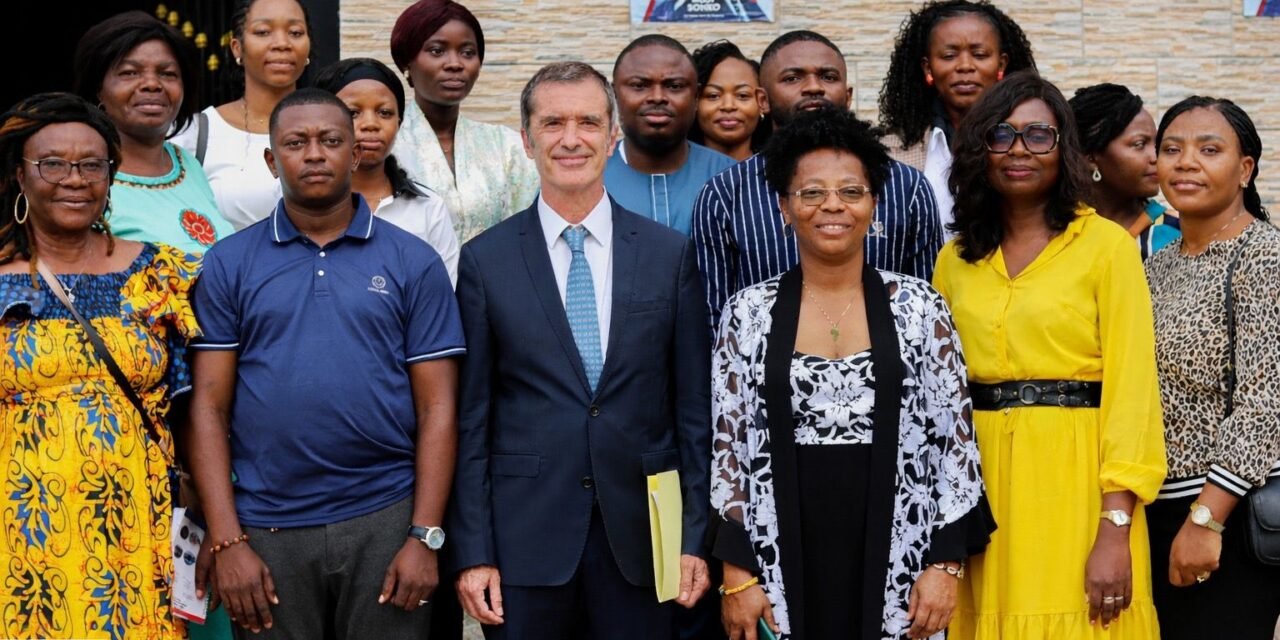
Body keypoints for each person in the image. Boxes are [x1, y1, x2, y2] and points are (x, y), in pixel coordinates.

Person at [187, 89, 464, 639]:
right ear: (272, 160)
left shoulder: (412, 260)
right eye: (295, 142)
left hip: (385, 515)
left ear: (355, 154)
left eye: (331, 141)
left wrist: (424, 535)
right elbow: (208, 410)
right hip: (267, 525)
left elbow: (439, 407)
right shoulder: (229, 263)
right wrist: (227, 541)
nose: (314, 154)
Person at [450, 61, 711, 640]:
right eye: (553, 123)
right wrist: (473, 550)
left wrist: (695, 538)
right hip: (524, 542)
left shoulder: (669, 255)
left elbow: (695, 413)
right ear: (526, 139)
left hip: (647, 539)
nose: (571, 139)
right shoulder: (485, 261)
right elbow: (471, 419)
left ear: (612, 135)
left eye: (589, 122)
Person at [711, 108, 993, 640]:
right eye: (811, 193)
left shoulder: (920, 308)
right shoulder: (746, 313)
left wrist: (946, 565)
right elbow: (729, 448)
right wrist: (736, 574)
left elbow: (955, 443)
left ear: (874, 203)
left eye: (851, 191)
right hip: (779, 560)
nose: (832, 206)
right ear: (784, 207)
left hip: (904, 559)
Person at [934, 71, 1165, 639]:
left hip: (1079, 480)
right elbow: (937, 395)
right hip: (979, 485)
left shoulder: (1106, 246)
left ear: (1066, 149)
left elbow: (1133, 388)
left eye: (1039, 135)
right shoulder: (955, 259)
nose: (1019, 150)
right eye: (1002, 135)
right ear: (978, 149)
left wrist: (1115, 524)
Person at [0, 92, 200, 639]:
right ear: (20, 175)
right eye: (52, 164)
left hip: (140, 520)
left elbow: (197, 405)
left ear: (112, 176)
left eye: (92, 164)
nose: (74, 178)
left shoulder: (158, 275)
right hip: (20, 527)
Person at [692, 30, 941, 330]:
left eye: (828, 77)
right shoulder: (725, 193)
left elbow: (927, 308)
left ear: (848, 96)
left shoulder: (907, 187)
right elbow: (713, 321)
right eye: (792, 78)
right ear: (762, 100)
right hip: (764, 371)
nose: (813, 88)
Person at [1144, 96, 1280, 639]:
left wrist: (1206, 519)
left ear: (1244, 169)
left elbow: (1267, 401)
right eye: (1171, 149)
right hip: (1155, 512)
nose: (1185, 162)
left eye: (1209, 149)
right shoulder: (1156, 267)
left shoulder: (1264, 255)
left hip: (1227, 519)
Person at [73, 11, 234, 255]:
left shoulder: (187, 163)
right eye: (130, 73)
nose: (152, 84)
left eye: (167, 74)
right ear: (98, 89)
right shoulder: (78, 178)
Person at [879, 0, 1036, 236]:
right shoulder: (889, 151)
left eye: (980, 54)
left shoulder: (1033, 143)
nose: (965, 66)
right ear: (928, 68)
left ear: (1001, 64)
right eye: (949, 55)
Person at [391, 0, 540, 242]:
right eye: (437, 51)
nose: (455, 64)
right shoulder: (386, 144)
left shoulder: (507, 146)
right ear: (407, 62)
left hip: (497, 279)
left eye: (467, 53)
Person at [315, 57, 461, 284]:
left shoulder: (427, 208)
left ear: (399, 123)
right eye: (353, 113)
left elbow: (442, 295)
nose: (371, 124)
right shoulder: (300, 204)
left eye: (384, 113)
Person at [172, 0, 312, 230]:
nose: (282, 43)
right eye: (263, 32)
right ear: (237, 48)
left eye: (295, 32)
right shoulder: (195, 134)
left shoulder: (336, 130)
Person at [604, 35, 735, 235]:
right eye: (639, 85)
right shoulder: (590, 179)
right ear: (614, 94)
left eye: (674, 86)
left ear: (696, 96)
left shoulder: (732, 178)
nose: (657, 97)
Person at [1069, 84, 1180, 260]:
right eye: (1139, 144)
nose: (1156, 157)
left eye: (1157, 145)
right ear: (1090, 157)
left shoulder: (1177, 236)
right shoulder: (1056, 230)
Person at [689, 40, 770, 162]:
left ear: (762, 101)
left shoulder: (780, 171)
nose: (728, 106)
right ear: (695, 102)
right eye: (713, 95)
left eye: (742, 95)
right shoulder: (672, 169)